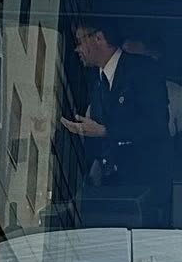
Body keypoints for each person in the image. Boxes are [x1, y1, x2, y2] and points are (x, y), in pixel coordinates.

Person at [60, 20, 174, 224]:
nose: (77, 49)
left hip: (144, 191)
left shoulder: (143, 69)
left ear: (99, 38)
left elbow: (156, 125)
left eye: (79, 41)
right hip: (111, 191)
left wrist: (105, 131)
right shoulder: (98, 82)